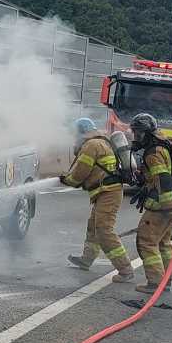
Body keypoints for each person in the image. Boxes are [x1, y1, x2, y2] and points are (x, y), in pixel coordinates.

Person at [59, 117, 133, 282]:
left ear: (81, 132)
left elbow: (80, 173)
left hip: (108, 192)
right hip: (105, 191)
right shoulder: (101, 141)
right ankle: (86, 260)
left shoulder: (91, 145)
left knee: (104, 230)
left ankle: (125, 269)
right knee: (93, 226)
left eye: (75, 134)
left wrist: (67, 180)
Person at [129, 112, 172, 293]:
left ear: (145, 133)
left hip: (161, 205)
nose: (135, 137)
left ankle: (155, 282)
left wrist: (168, 208)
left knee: (146, 241)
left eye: (137, 133)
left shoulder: (153, 152)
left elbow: (163, 178)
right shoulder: (163, 145)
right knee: (163, 242)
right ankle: (167, 278)